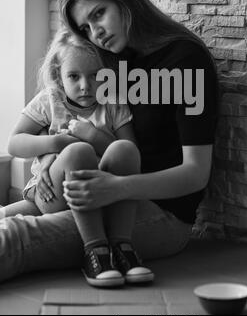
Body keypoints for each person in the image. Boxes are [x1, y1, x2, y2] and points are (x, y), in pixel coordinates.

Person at [0, 0, 218, 284]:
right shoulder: (112, 63)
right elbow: (69, 116)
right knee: (11, 218)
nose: (95, 33)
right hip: (96, 194)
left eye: (98, 13)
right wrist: (49, 158)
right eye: (85, 28)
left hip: (160, 215)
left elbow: (196, 173)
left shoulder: (185, 61)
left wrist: (116, 188)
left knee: (17, 237)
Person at [3, 28, 154, 287]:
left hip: (101, 193)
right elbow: (15, 143)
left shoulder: (113, 102)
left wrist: (94, 135)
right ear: (58, 77)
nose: (85, 85)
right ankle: (95, 251)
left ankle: (122, 246)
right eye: (74, 76)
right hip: (51, 194)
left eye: (95, 76)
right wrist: (56, 142)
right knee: (78, 151)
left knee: (124, 150)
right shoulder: (49, 101)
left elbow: (130, 153)